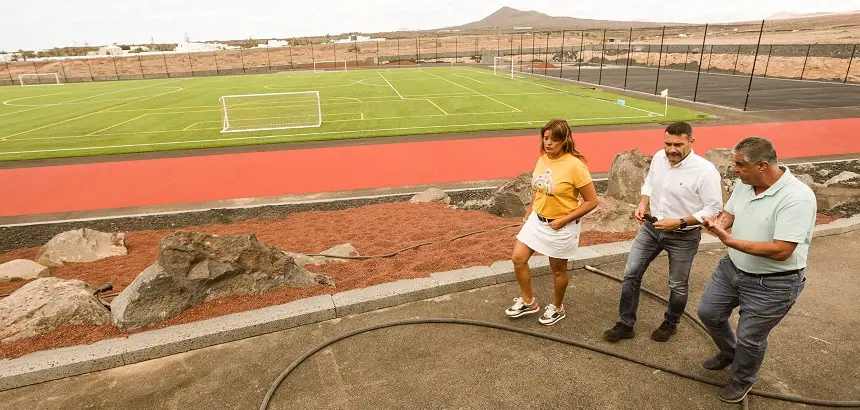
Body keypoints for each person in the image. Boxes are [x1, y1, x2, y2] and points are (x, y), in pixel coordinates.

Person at [697, 136, 816, 403]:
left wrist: (729, 240)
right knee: (709, 313)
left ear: (762, 165)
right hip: (733, 269)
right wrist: (718, 224)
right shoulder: (746, 183)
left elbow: (782, 250)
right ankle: (730, 352)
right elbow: (731, 215)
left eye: (740, 164)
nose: (734, 170)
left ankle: (742, 379)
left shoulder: (798, 197)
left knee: (750, 338)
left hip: (774, 283)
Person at [603, 122, 723, 343]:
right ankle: (626, 324)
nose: (671, 149)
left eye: (678, 144)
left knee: (677, 284)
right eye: (668, 143)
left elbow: (713, 208)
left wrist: (678, 222)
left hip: (684, 235)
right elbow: (649, 182)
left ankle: (671, 322)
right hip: (651, 228)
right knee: (631, 274)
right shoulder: (659, 157)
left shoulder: (705, 171)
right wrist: (642, 202)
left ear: (691, 142)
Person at [504, 119, 599, 326]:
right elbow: (537, 189)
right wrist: (528, 215)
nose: (549, 143)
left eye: (554, 140)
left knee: (557, 270)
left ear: (565, 140)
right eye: (546, 138)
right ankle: (528, 300)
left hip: (562, 225)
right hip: (537, 220)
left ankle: (557, 307)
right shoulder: (543, 159)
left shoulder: (575, 166)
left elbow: (592, 201)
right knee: (518, 258)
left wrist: (563, 220)